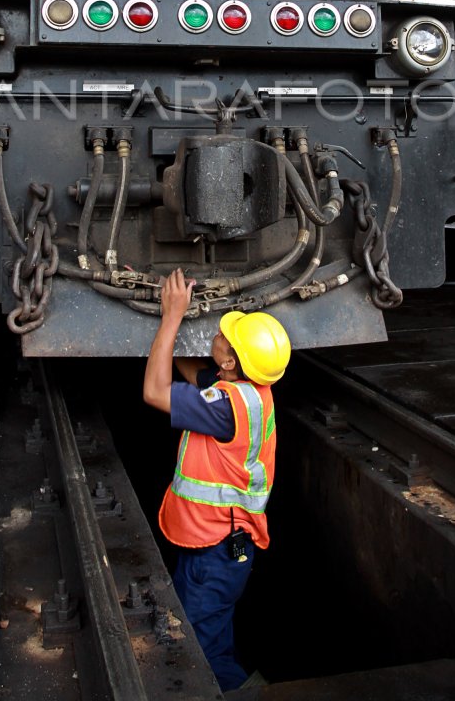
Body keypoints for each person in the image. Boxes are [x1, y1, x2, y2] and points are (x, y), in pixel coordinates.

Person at [143, 267, 291, 691]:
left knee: (199, 651)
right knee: (214, 637)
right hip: (225, 545)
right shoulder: (251, 390)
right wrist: (166, 335)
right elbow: (196, 375)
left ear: (230, 361)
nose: (221, 333)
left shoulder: (225, 409)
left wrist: (171, 318)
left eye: (227, 336)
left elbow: (155, 392)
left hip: (217, 550)